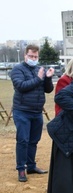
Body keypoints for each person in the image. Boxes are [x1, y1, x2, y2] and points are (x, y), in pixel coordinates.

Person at [10, 44, 54, 182]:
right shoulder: (17, 70)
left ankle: (31, 166)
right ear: (25, 55)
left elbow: (48, 90)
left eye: (36, 56)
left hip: (36, 112)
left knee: (34, 140)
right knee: (23, 140)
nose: (34, 59)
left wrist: (48, 78)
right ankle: (21, 169)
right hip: (22, 111)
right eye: (31, 56)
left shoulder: (39, 70)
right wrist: (39, 79)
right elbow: (21, 86)